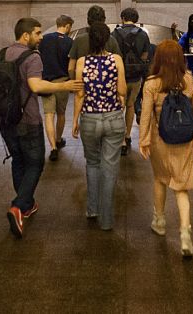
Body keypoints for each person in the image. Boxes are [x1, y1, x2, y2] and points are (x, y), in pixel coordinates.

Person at [0, 18, 82, 239]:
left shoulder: (0, 54)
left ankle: (26, 204)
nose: (40, 37)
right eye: (37, 33)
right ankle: (19, 206)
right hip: (27, 119)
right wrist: (63, 85)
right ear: (25, 35)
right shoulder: (32, 57)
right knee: (36, 163)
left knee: (18, 160)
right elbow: (36, 86)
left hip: (5, 120)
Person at [139, 39, 193, 258]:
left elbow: (145, 115)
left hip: (160, 139)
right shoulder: (188, 80)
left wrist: (143, 140)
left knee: (160, 179)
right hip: (185, 140)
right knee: (181, 188)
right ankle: (185, 232)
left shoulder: (152, 83)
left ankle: (160, 220)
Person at [72, 22, 127, 231]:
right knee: (109, 167)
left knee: (92, 163)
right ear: (106, 39)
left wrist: (75, 120)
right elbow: (122, 90)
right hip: (113, 118)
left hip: (90, 119)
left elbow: (79, 95)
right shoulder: (116, 60)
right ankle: (106, 220)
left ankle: (92, 209)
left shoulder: (81, 62)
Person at [111, 7, 151, 156]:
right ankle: (128, 135)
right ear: (136, 18)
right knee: (131, 105)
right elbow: (145, 55)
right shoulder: (143, 34)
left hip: (119, 77)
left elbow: (112, 55)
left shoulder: (114, 33)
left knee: (119, 107)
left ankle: (120, 140)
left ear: (122, 18)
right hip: (135, 77)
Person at [39, 14, 75, 162]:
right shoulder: (70, 42)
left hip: (47, 82)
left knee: (48, 115)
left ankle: (52, 147)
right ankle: (59, 139)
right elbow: (71, 65)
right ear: (67, 26)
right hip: (62, 83)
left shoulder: (44, 39)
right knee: (61, 113)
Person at [67, 5, 120, 78]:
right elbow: (118, 65)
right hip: (107, 83)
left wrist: (75, 82)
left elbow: (71, 68)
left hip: (84, 83)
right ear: (104, 20)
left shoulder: (79, 40)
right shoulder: (111, 39)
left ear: (88, 19)